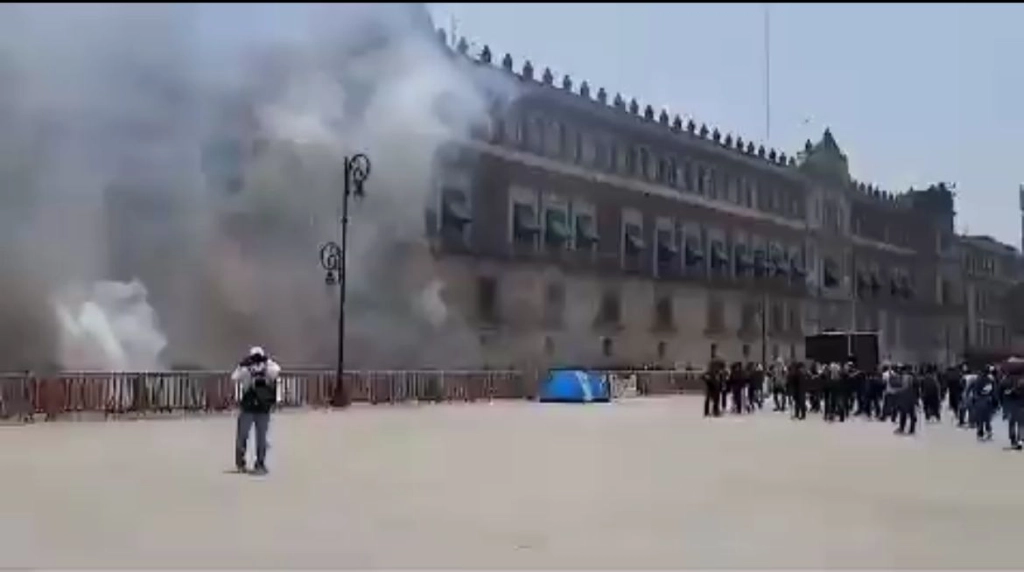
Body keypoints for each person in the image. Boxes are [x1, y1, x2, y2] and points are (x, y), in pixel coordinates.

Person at [232, 346, 281, 474]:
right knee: (261, 437)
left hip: (248, 407)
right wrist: (267, 361)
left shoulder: (245, 370)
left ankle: (240, 463)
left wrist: (243, 364)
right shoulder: (268, 369)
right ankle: (260, 464)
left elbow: (234, 377)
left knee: (242, 436)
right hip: (263, 408)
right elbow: (277, 370)